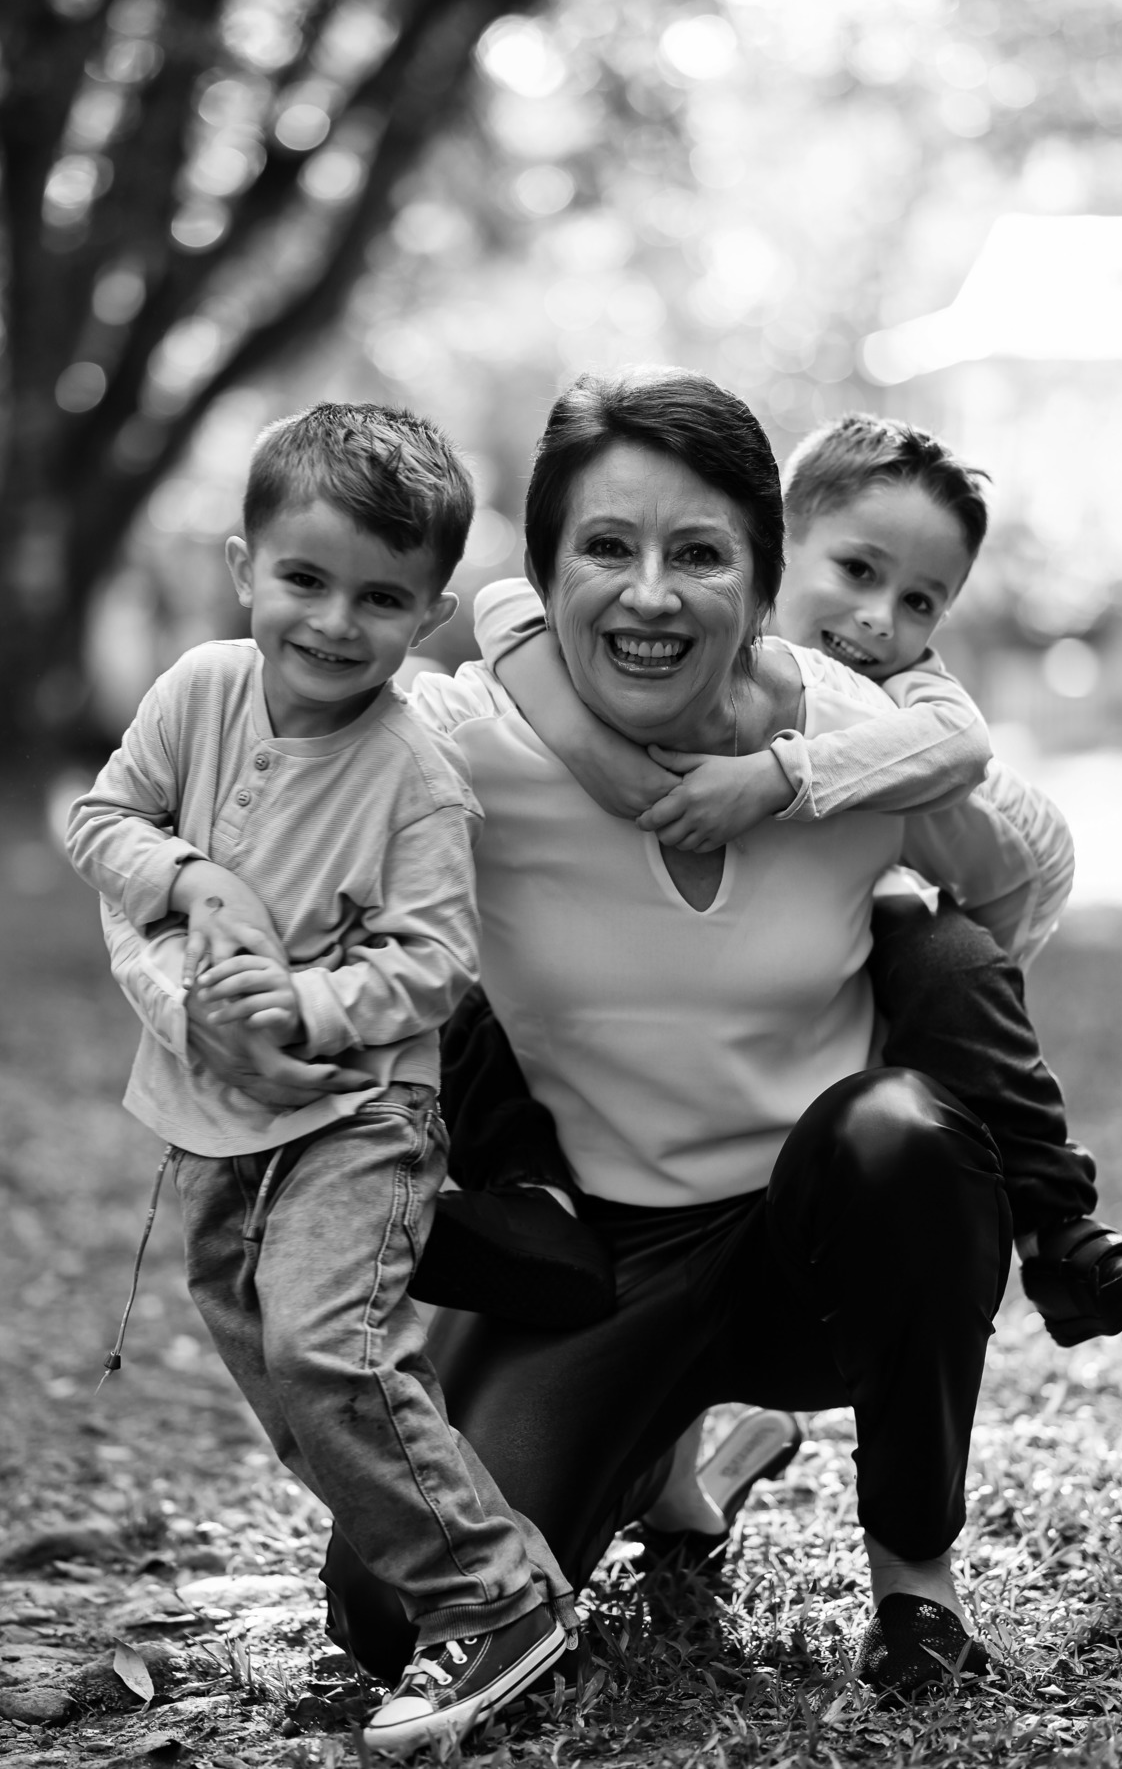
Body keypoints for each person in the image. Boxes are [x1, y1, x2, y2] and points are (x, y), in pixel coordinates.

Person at [303, 366, 1024, 1706]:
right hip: (599, 1254)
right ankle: (682, 1452)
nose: (649, 596)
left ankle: (916, 1590)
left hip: (818, 1242)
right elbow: (282, 783)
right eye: (605, 550)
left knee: (906, 1136)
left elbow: (1017, 869)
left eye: (699, 555)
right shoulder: (467, 744)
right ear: (544, 575)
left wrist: (878, 868)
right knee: (389, 1610)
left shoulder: (850, 736)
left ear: (762, 583)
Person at [66, 403, 575, 1756]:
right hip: (216, 1123)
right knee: (276, 1371)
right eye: (306, 579)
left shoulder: (416, 775)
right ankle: (460, 1568)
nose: (337, 622)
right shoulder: (198, 691)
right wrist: (189, 876)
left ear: (431, 613)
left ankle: (497, 1601)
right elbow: (102, 819)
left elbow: (439, 961)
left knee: (324, 1346)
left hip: (363, 1114)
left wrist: (306, 1001)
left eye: (381, 598)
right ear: (246, 567)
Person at [471, 410, 1122, 1349]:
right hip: (656, 1063)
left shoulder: (910, 690)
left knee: (947, 953)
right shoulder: (692, 626)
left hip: (845, 981)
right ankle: (537, 1210)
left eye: (921, 601)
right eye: (857, 571)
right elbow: (506, 604)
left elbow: (965, 750)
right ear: (775, 548)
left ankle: (1058, 1231)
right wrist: (588, 749)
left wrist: (778, 779)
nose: (881, 618)